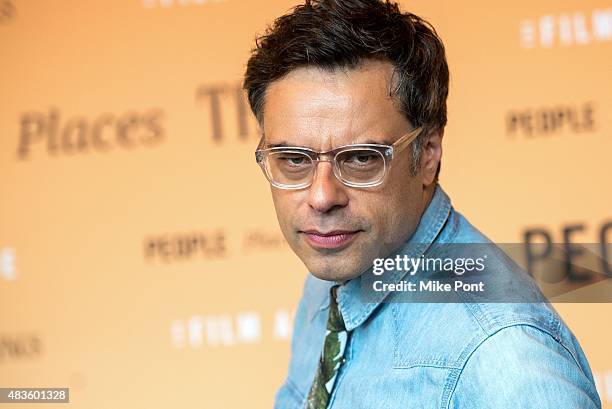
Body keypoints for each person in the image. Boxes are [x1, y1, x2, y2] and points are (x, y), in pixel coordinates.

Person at [242, 0, 601, 407]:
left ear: (427, 154)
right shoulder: (336, 263)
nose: (322, 197)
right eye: (293, 159)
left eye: (362, 158)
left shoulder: (504, 359)